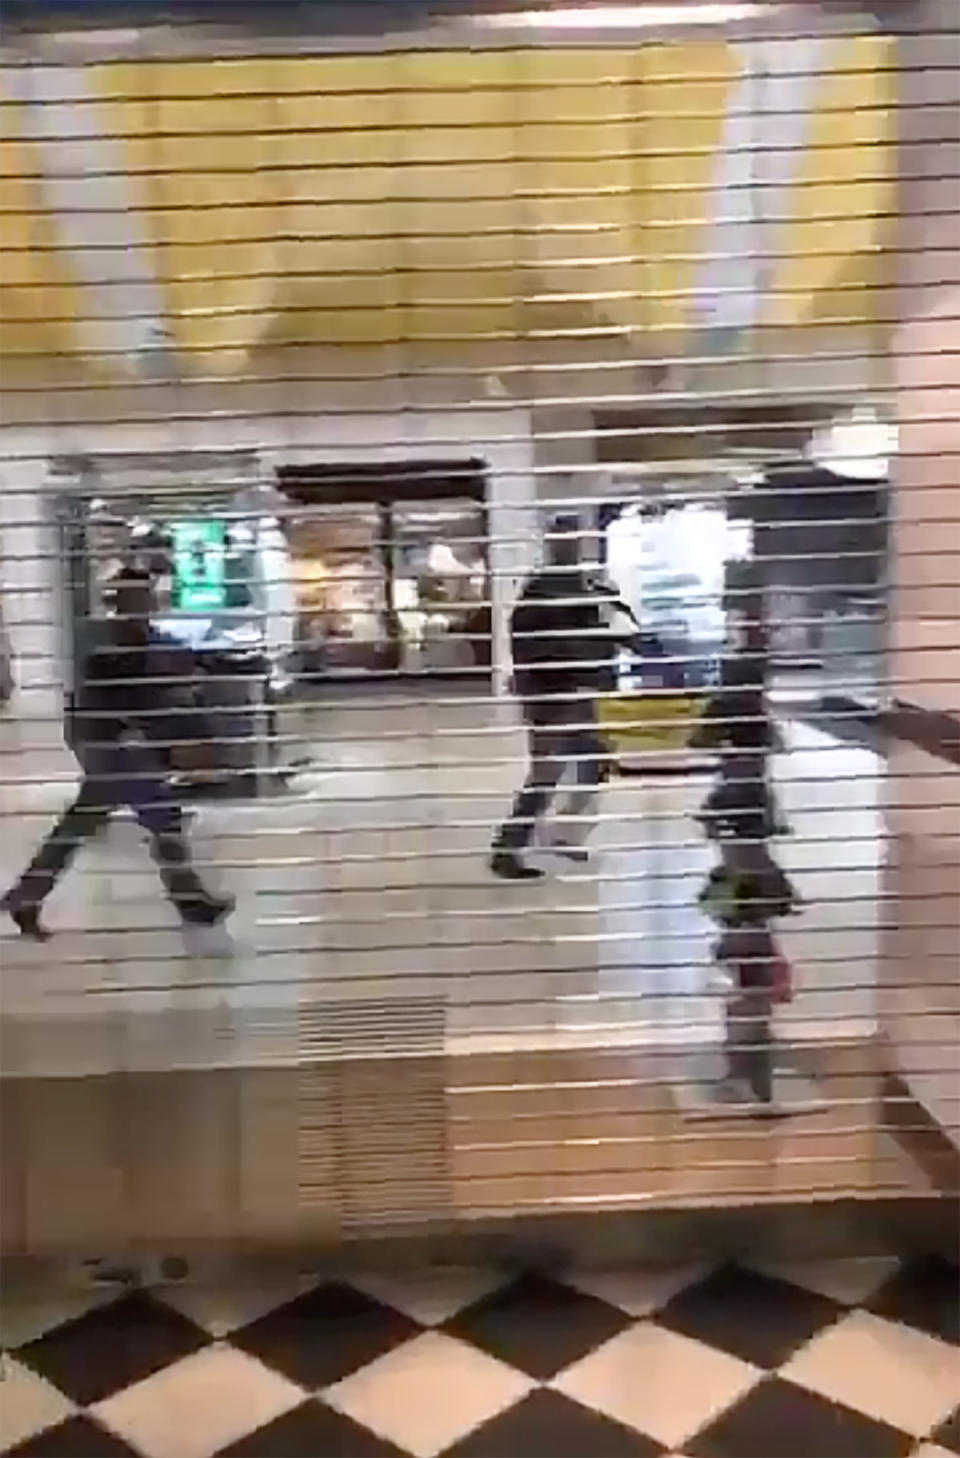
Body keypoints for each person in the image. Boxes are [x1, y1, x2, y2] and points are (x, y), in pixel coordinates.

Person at [2, 567, 234, 940]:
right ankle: (189, 899)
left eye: (147, 595)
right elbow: (113, 698)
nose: (147, 603)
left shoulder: (146, 639)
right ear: (122, 602)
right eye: (138, 596)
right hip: (114, 746)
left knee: (81, 824)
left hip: (122, 747)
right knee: (162, 817)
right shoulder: (107, 645)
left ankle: (25, 897)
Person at [490, 517, 637, 881]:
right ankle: (509, 848)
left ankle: (564, 833)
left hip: (578, 693)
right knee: (547, 773)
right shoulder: (546, 589)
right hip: (555, 695)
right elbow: (542, 643)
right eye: (564, 539)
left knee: (594, 762)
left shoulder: (587, 584)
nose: (570, 545)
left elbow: (618, 623)